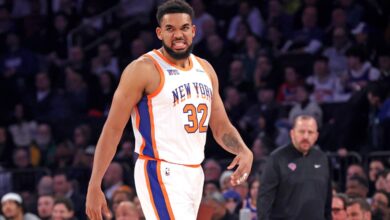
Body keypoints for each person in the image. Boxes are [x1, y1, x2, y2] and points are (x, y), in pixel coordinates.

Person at [85, 1, 253, 220]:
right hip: (159, 170)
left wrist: (243, 150)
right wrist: (94, 183)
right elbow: (113, 129)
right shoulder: (143, 69)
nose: (178, 35)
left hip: (194, 173)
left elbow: (220, 126)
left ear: (193, 30)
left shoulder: (206, 69)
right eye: (170, 29)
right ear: (159, 33)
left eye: (184, 28)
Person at [257, 115, 332, 219]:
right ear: (292, 133)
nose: (306, 136)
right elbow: (265, 198)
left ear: (316, 136)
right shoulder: (277, 158)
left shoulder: (322, 159)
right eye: (301, 131)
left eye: (310, 132)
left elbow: (327, 198)